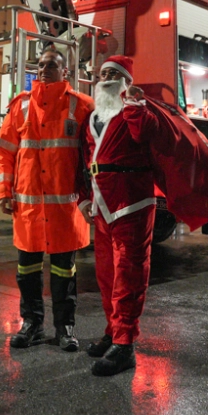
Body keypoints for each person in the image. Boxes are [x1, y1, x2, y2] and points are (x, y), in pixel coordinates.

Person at [0, 48, 94, 352]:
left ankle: (65, 328)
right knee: (27, 273)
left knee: (65, 274)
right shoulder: (20, 107)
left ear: (65, 72)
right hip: (29, 209)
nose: (43, 70)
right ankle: (32, 325)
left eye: (51, 66)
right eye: (40, 65)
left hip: (65, 210)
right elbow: (4, 153)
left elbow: (93, 154)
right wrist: (3, 192)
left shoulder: (82, 106)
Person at [79, 55, 161, 376]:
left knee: (128, 274)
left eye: (115, 74)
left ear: (127, 81)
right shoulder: (92, 118)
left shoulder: (137, 110)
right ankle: (113, 332)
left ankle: (125, 344)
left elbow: (146, 133)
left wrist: (134, 103)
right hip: (101, 205)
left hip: (132, 202)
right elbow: (84, 161)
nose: (108, 77)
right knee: (106, 275)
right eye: (103, 74)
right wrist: (85, 198)